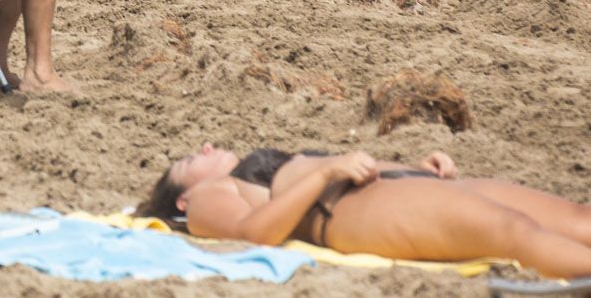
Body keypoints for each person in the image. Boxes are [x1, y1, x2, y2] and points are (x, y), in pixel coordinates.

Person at [136, 144, 591, 279]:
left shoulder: (238, 172)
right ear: (181, 198)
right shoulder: (205, 198)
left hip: (403, 187)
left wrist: (418, 168)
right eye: (189, 161)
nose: (206, 148)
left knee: (576, 218)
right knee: (513, 232)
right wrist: (323, 174)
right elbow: (255, 234)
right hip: (349, 210)